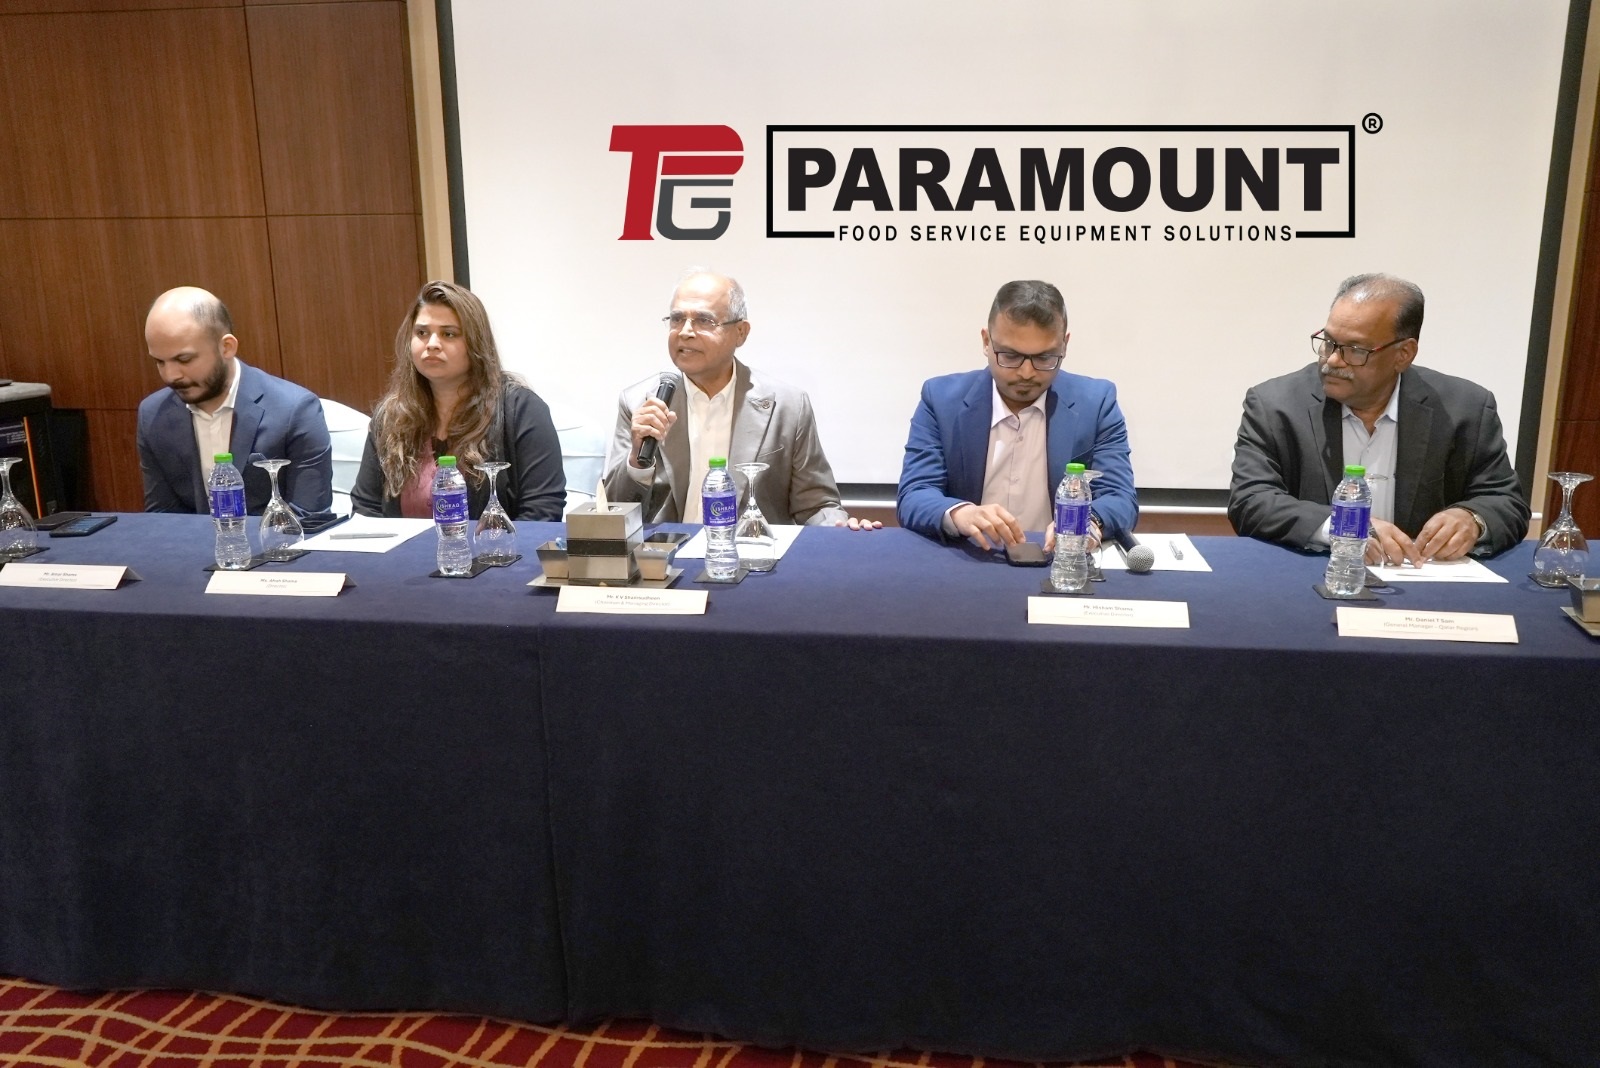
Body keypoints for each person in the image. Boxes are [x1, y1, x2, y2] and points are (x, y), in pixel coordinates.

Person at [1229, 273, 1529, 563]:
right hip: (1318, 575)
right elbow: (1251, 501)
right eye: (1329, 342)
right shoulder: (1275, 405)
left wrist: (1472, 519)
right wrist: (1346, 526)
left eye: (1355, 350)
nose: (1332, 360)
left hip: (1421, 581)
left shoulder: (1464, 409)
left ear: (1404, 354)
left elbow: (1506, 502)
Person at [603, 269, 878, 529]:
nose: (685, 331)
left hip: (753, 555)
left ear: (741, 333)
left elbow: (816, 504)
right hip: (667, 556)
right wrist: (637, 461)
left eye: (704, 320)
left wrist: (842, 530)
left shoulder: (787, 407)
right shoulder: (640, 403)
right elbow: (615, 513)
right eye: (677, 319)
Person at [896, 279, 1138, 550]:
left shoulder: (1096, 403)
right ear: (986, 341)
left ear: (1064, 346)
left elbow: (1119, 497)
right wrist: (961, 513)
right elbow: (915, 493)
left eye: (1044, 358)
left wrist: (1085, 522)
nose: (1026, 372)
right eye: (1010, 356)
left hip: (1058, 560)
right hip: (972, 556)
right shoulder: (941, 400)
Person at [351, 280, 566, 520]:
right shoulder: (391, 415)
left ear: (476, 344)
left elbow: (542, 513)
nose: (432, 344)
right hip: (405, 547)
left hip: (497, 545)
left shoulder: (522, 410)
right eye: (422, 333)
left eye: (449, 334)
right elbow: (365, 510)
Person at [138, 286, 332, 515]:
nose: (171, 375)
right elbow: (163, 517)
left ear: (226, 347)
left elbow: (309, 518)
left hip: (274, 538)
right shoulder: (153, 415)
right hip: (190, 539)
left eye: (184, 359)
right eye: (160, 362)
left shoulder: (295, 410)